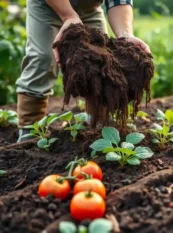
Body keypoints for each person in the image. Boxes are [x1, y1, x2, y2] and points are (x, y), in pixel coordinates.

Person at [16, 0, 151, 142]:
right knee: (43, 58)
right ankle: (30, 127)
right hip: (46, 6)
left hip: (89, 8)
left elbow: (118, 1)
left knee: (103, 61)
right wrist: (68, 16)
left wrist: (125, 34)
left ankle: (99, 121)